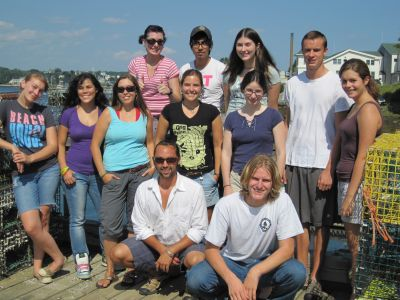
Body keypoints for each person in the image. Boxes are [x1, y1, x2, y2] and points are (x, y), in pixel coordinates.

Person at [284, 30, 352, 297]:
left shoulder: (336, 84)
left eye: (316, 50)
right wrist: (283, 161)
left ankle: (316, 276)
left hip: (321, 162)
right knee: (298, 222)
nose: (311, 55)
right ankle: (301, 271)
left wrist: (328, 168)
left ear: (325, 51)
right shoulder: (292, 83)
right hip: (293, 162)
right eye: (307, 50)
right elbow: (289, 122)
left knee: (321, 224)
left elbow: (340, 132)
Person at [186, 154, 306, 300]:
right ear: (246, 178)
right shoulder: (227, 204)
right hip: (231, 262)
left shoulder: (282, 201)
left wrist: (255, 272)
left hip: (264, 263)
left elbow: (287, 249)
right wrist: (231, 279)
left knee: (297, 272)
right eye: (255, 178)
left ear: (273, 183)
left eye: (266, 180)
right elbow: (211, 250)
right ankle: (231, 294)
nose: (259, 185)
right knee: (195, 279)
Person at [110, 140, 208, 295]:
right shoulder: (144, 188)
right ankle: (159, 272)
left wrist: (170, 252)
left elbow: (199, 229)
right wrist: (163, 250)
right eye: (159, 160)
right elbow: (139, 227)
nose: (165, 164)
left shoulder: (194, 189)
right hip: (156, 246)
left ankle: (184, 276)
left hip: (185, 246)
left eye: (170, 160)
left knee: (197, 260)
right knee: (117, 254)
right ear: (154, 160)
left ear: (178, 160)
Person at [91, 74, 155, 288]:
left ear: (136, 91)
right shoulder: (109, 114)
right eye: (121, 89)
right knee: (110, 224)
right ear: (116, 93)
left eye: (130, 88)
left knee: (134, 223)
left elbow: (150, 142)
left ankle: (130, 270)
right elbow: (95, 145)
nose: (125, 92)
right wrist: (103, 173)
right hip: (114, 175)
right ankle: (110, 270)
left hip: (140, 172)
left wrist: (153, 164)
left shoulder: (145, 114)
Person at [0, 72, 65, 284]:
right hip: (22, 174)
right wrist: (11, 146)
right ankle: (58, 259)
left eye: (40, 90)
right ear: (23, 84)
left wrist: (29, 158)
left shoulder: (45, 111)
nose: (36, 92)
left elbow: (53, 146)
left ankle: (38, 268)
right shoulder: (6, 108)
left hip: (47, 168)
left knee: (43, 219)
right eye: (33, 87)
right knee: (31, 225)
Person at [333, 59, 382, 294]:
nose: (348, 85)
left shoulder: (368, 109)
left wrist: (350, 196)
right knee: (353, 243)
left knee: (357, 246)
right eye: (344, 81)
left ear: (366, 80)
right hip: (345, 180)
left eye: (353, 80)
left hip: (358, 185)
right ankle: (357, 288)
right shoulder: (355, 106)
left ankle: (359, 290)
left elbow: (363, 155)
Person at [58, 73, 108, 279]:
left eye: (89, 87)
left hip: (100, 172)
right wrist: (64, 169)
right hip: (75, 171)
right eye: (81, 88)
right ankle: (81, 257)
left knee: (106, 217)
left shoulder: (105, 112)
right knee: (77, 219)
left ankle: (108, 253)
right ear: (76, 91)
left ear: (96, 89)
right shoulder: (69, 114)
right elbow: (61, 145)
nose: (85, 91)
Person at [156, 69, 222, 221]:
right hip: (177, 175)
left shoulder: (211, 112)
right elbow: (159, 140)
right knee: (178, 220)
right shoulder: (169, 111)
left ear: (201, 88)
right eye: (187, 85)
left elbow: (218, 145)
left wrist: (216, 174)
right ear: (180, 86)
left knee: (206, 224)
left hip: (205, 176)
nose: (191, 89)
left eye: (196, 85)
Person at [222, 70, 286, 196]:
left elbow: (280, 151)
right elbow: (226, 153)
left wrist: (275, 181)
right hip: (237, 179)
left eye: (258, 91)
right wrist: (226, 185)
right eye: (249, 90)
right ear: (242, 90)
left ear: (264, 92)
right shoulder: (232, 117)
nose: (253, 95)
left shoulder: (274, 116)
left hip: (263, 180)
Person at [128, 25, 180, 132]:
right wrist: (135, 87)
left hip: (163, 118)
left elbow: (178, 98)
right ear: (144, 42)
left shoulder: (170, 65)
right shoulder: (135, 63)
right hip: (140, 116)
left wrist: (169, 92)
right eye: (151, 41)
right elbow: (127, 94)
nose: (156, 45)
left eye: (160, 42)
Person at [223, 28, 281, 114]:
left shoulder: (269, 73)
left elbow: (273, 107)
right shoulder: (230, 72)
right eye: (239, 45)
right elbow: (227, 102)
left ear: (257, 46)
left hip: (259, 124)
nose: (243, 49)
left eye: (247, 44)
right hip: (233, 124)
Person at [179, 25, 226, 112]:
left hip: (213, 120)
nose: (200, 48)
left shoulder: (221, 69)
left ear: (210, 46)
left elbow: (228, 98)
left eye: (204, 43)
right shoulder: (184, 69)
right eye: (196, 43)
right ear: (191, 46)